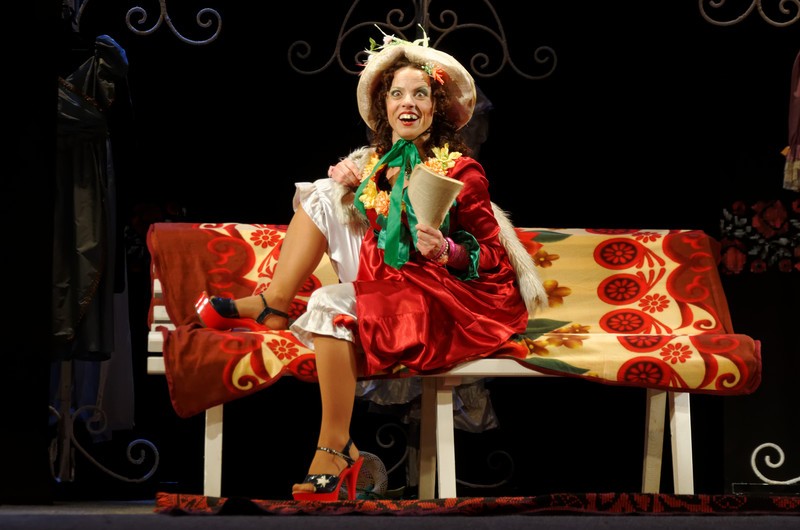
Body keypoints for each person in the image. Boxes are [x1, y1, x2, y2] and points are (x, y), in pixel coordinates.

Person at [194, 29, 546, 501]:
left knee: (326, 303)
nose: (408, 103)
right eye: (397, 94)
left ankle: (334, 448)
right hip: (394, 280)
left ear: (436, 107)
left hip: (448, 298)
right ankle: (274, 302)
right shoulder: (377, 165)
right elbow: (371, 227)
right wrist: (349, 180)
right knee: (323, 191)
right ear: (385, 106)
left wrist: (448, 250)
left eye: (420, 94)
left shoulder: (462, 171)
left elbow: (493, 258)